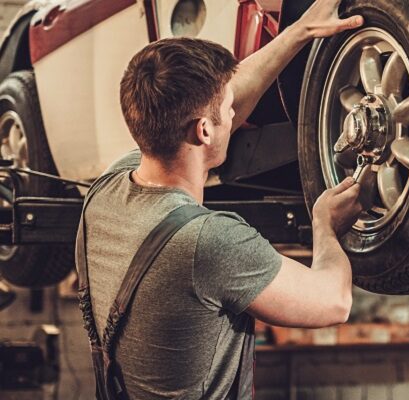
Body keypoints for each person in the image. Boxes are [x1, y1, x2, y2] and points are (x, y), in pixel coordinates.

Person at [77, 0, 364, 398]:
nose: (235, 114)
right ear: (203, 132)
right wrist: (325, 227)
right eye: (228, 111)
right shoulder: (209, 243)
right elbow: (334, 302)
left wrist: (300, 31)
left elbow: (219, 107)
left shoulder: (105, 191)